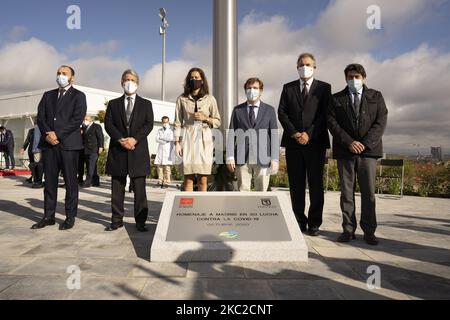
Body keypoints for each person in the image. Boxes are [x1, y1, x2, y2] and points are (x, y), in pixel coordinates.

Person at [327, 63, 388, 246]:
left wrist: (365, 143)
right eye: (350, 77)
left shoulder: (376, 96)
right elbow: (332, 122)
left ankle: (369, 231)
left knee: (368, 193)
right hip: (345, 151)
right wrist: (349, 142)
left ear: (364, 78)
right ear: (345, 78)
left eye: (357, 77)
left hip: (368, 152)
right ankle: (348, 229)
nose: (354, 80)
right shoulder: (336, 98)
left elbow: (381, 121)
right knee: (346, 193)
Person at [278, 53, 331, 236]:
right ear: (297, 67)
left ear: (314, 67)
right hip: (293, 144)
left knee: (316, 185)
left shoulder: (324, 88)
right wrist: (294, 133)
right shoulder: (288, 88)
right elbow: (282, 113)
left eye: (308, 64)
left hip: (315, 143)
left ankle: (315, 222)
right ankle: (299, 221)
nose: (304, 67)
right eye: (301, 64)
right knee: (296, 185)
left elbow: (325, 115)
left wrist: (309, 133)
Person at [32, 65, 87, 230]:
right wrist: (48, 134)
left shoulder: (78, 96)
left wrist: (59, 134)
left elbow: (77, 119)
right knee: (49, 182)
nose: (60, 76)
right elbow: (40, 117)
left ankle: (70, 217)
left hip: (69, 145)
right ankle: (48, 216)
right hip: (49, 146)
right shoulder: (48, 95)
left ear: (72, 78)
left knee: (70, 182)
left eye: (64, 73)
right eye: (58, 73)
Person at [104, 69, 154, 232]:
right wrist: (121, 139)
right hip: (118, 150)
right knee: (117, 188)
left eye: (132, 79)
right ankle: (116, 220)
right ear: (121, 83)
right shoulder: (113, 104)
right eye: (126, 79)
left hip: (137, 150)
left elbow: (148, 124)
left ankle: (141, 221)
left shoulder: (146, 104)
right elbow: (109, 124)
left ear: (137, 83)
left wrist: (134, 139)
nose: (129, 82)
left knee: (140, 190)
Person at [226, 77, 279, 191]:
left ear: (261, 91)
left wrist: (275, 158)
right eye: (249, 88)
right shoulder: (237, 110)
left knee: (262, 194)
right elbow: (231, 134)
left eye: (255, 88)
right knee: (242, 192)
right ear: (245, 90)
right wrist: (230, 157)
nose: (252, 90)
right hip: (242, 157)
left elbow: (274, 135)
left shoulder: (270, 110)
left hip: (264, 157)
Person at [174, 67, 221, 192]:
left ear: (202, 80)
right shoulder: (181, 99)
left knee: (203, 179)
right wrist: (177, 143)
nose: (194, 80)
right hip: (187, 138)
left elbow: (217, 121)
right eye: (191, 78)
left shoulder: (210, 99)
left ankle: (202, 207)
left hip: (204, 138)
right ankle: (189, 210)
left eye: (196, 78)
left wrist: (205, 118)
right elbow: (177, 122)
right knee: (188, 178)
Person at [79, 115, 104, 188]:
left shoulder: (96, 126)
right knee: (91, 166)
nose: (84, 121)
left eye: (86, 119)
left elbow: (100, 137)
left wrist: (101, 147)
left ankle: (88, 182)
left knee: (91, 166)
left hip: (93, 149)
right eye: (84, 119)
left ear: (91, 120)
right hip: (85, 149)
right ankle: (95, 181)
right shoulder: (83, 127)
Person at [20, 124, 44, 188]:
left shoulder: (43, 130)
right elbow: (27, 140)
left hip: (39, 151)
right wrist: (23, 148)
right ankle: (34, 178)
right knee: (32, 165)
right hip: (31, 151)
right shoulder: (31, 131)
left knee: (38, 165)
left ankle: (38, 180)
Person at [155, 116, 174, 189]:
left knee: (167, 167)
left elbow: (171, 138)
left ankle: (167, 181)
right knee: (159, 167)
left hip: (167, 150)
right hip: (160, 150)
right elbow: (156, 139)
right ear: (162, 122)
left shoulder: (171, 130)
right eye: (163, 122)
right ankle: (160, 181)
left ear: (168, 122)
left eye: (166, 122)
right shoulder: (159, 130)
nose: (165, 123)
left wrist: (162, 138)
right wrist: (164, 140)